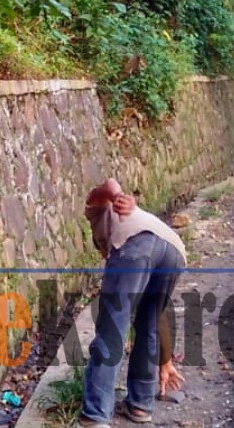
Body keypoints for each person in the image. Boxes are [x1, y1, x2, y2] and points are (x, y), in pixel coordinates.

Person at [80, 179, 186, 427]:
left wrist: (117, 195)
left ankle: (95, 414)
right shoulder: (142, 222)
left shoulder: (97, 214)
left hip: (138, 245)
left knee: (112, 328)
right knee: (148, 323)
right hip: (174, 251)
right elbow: (158, 318)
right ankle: (140, 405)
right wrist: (165, 360)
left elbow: (105, 185)